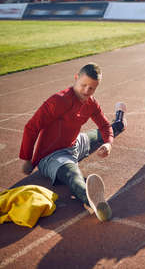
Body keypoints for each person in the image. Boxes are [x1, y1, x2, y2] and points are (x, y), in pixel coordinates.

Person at [19, 63, 127, 222]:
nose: (86, 91)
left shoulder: (91, 102)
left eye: (92, 88)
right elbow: (31, 127)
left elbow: (103, 126)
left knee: (104, 133)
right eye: (83, 85)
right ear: (76, 78)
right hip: (52, 156)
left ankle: (119, 121)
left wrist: (108, 144)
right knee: (72, 174)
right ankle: (93, 200)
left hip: (74, 143)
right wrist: (27, 158)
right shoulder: (58, 101)